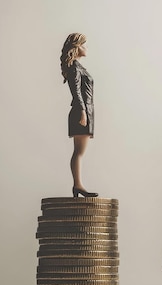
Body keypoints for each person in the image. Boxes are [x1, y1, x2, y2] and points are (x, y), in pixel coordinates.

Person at [60, 33, 98, 198]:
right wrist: (82, 111)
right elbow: (75, 91)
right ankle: (78, 185)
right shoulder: (75, 67)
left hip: (85, 110)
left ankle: (78, 184)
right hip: (81, 110)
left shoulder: (78, 67)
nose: (87, 47)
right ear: (77, 47)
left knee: (80, 151)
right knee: (79, 152)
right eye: (84, 44)